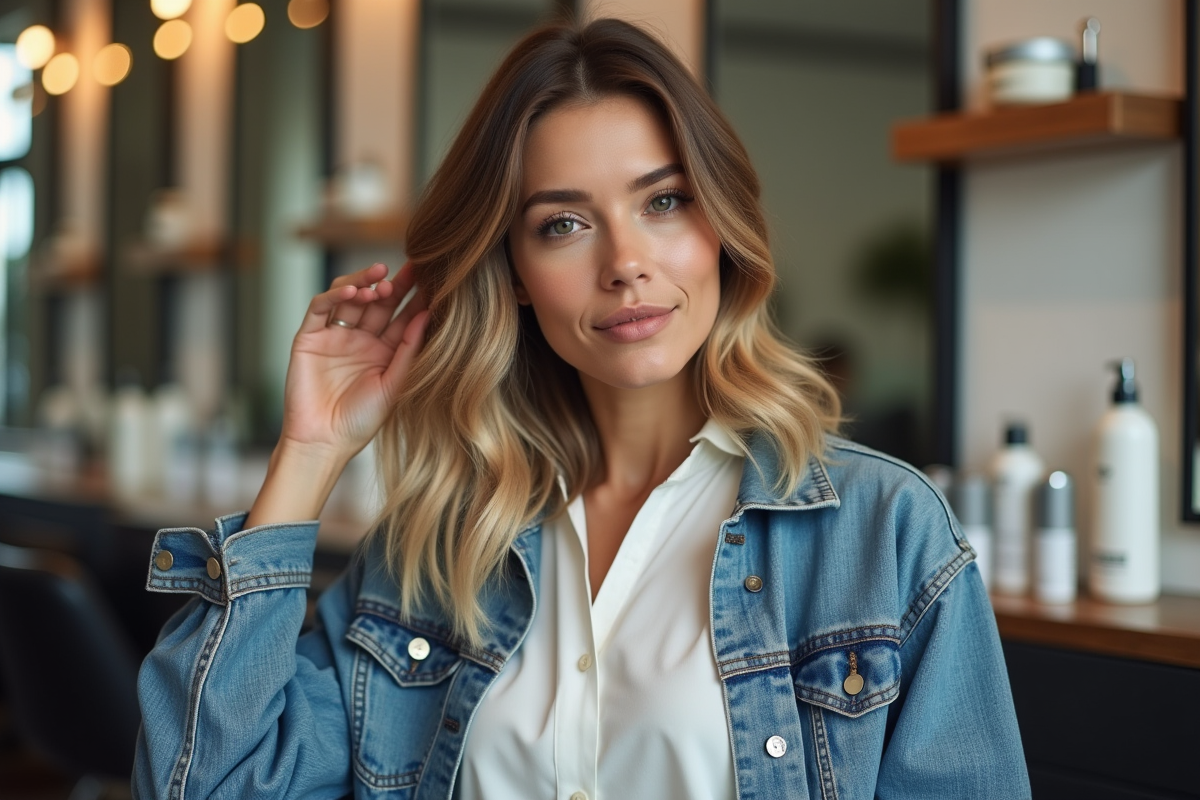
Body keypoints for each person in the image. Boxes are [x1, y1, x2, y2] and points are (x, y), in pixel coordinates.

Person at [133, 17, 1030, 800]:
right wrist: (310, 452)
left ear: (720, 227)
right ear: (515, 275)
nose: (626, 262)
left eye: (665, 202)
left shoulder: (884, 536)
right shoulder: (432, 553)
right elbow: (201, 785)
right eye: (564, 223)